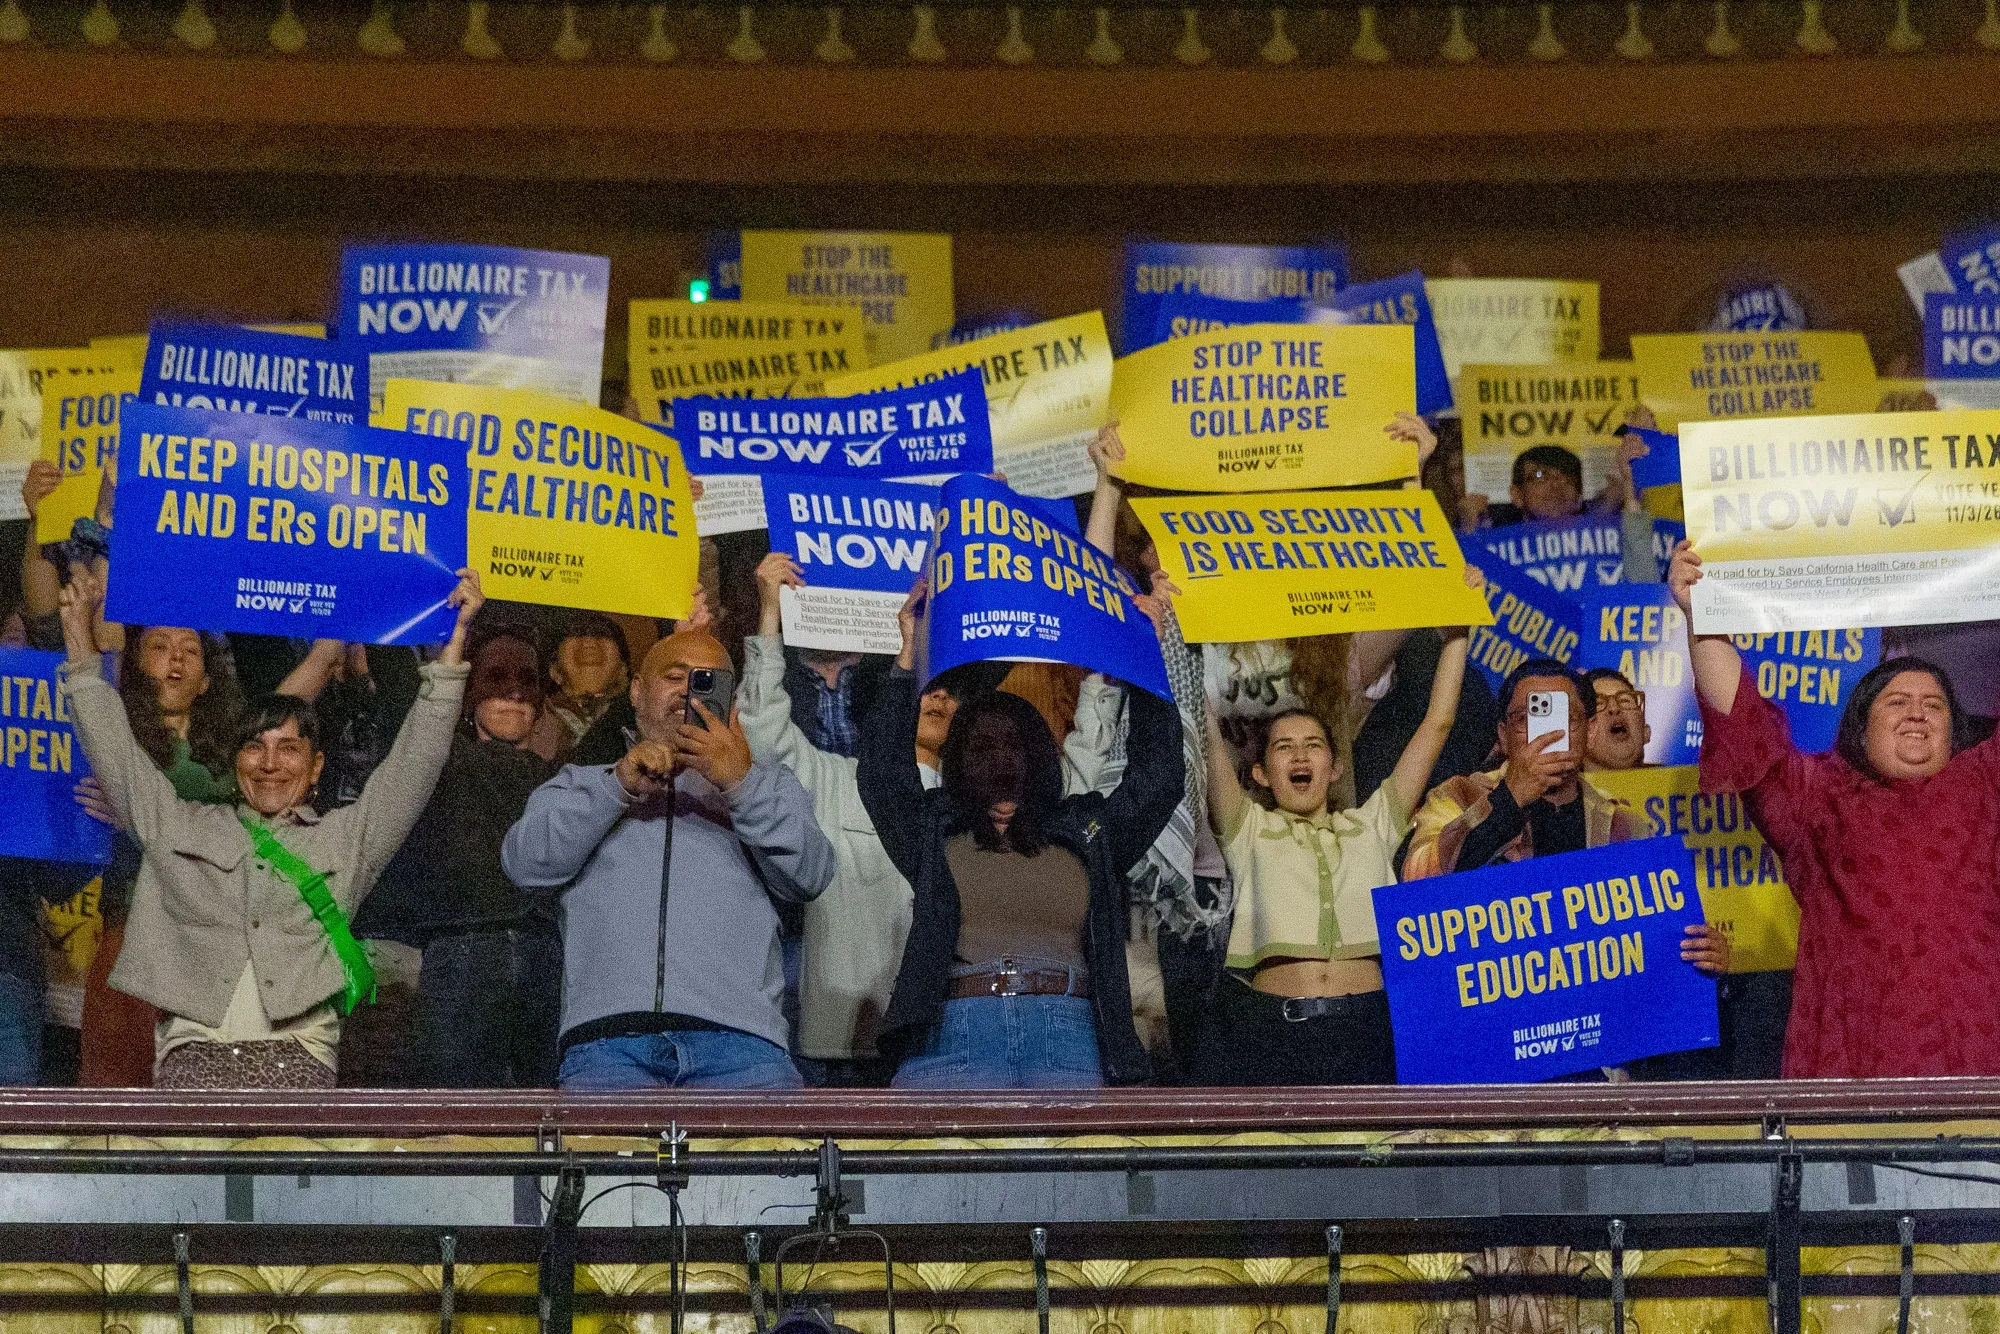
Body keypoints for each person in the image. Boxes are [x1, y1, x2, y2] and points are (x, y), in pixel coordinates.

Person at [58, 567, 480, 1089]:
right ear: (235, 762)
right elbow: (114, 749)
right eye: (255, 746)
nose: (270, 762)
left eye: (289, 748)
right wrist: (79, 650)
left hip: (299, 1063)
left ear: (316, 766)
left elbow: (414, 765)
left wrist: (451, 655)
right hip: (194, 1063)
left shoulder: (344, 840)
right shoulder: (177, 824)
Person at [1672, 540, 2000, 1077]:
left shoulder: (1987, 784)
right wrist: (1701, 614)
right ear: (1860, 728)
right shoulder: (1818, 796)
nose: (1917, 713)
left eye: (1935, 706)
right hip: (1853, 1078)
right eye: (1897, 702)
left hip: (1984, 1084)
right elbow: (1740, 719)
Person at [857, 578, 1185, 1089]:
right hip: (954, 1037)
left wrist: (1142, 656)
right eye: (982, 743)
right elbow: (882, 776)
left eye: (1014, 741)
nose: (999, 753)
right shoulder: (933, 828)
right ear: (958, 757)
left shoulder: (1086, 831)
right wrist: (910, 655)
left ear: (1040, 753)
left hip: (1072, 1038)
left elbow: (1159, 781)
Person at [502, 627, 835, 1090]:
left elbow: (812, 874)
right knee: (603, 1166)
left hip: (744, 1047)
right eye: (674, 676)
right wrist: (615, 789)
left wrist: (739, 784)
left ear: (731, 699)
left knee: (765, 1165)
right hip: (608, 1045)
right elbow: (526, 865)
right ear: (636, 690)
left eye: (707, 680)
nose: (687, 690)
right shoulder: (580, 784)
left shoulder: (768, 785)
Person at [1193, 598, 1475, 1086]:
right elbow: (1206, 733)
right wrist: (1183, 631)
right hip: (1273, 1035)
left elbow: (1437, 724)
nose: (1299, 754)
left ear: (1335, 766)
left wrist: (1457, 630)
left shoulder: (1373, 825)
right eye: (1284, 747)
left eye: (1313, 745)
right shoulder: (1248, 830)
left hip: (1369, 1031)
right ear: (1260, 772)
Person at [741, 551, 981, 1082]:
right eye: (926, 682)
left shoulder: (983, 805)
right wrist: (770, 615)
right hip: (844, 1042)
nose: (939, 694)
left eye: (950, 688)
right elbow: (762, 734)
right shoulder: (835, 777)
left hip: (951, 1037)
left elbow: (1084, 768)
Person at [354, 623, 560, 1087]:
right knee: (457, 1121)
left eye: (527, 682)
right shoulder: (437, 758)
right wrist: (459, 624)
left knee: (543, 1119)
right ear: (469, 693)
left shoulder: (566, 777)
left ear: (544, 699)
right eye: (495, 678)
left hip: (547, 959)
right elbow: (397, 680)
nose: (512, 693)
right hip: (460, 952)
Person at [1403, 659, 1640, 877]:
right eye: (1526, 719)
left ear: (1591, 731)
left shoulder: (1621, 824)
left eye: (1563, 718)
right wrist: (1508, 800)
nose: (1546, 733)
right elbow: (1416, 880)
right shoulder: (1458, 795)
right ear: (1503, 735)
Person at [528, 611, 632, 763]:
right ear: (554, 670)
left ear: (623, 669)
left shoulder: (639, 719)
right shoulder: (532, 719)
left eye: (602, 633)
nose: (589, 639)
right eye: (575, 633)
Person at [1582, 667, 1650, 773]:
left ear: (1646, 732)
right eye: (1599, 703)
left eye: (1624, 701)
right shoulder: (1554, 788)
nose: (1614, 708)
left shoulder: (1677, 785)